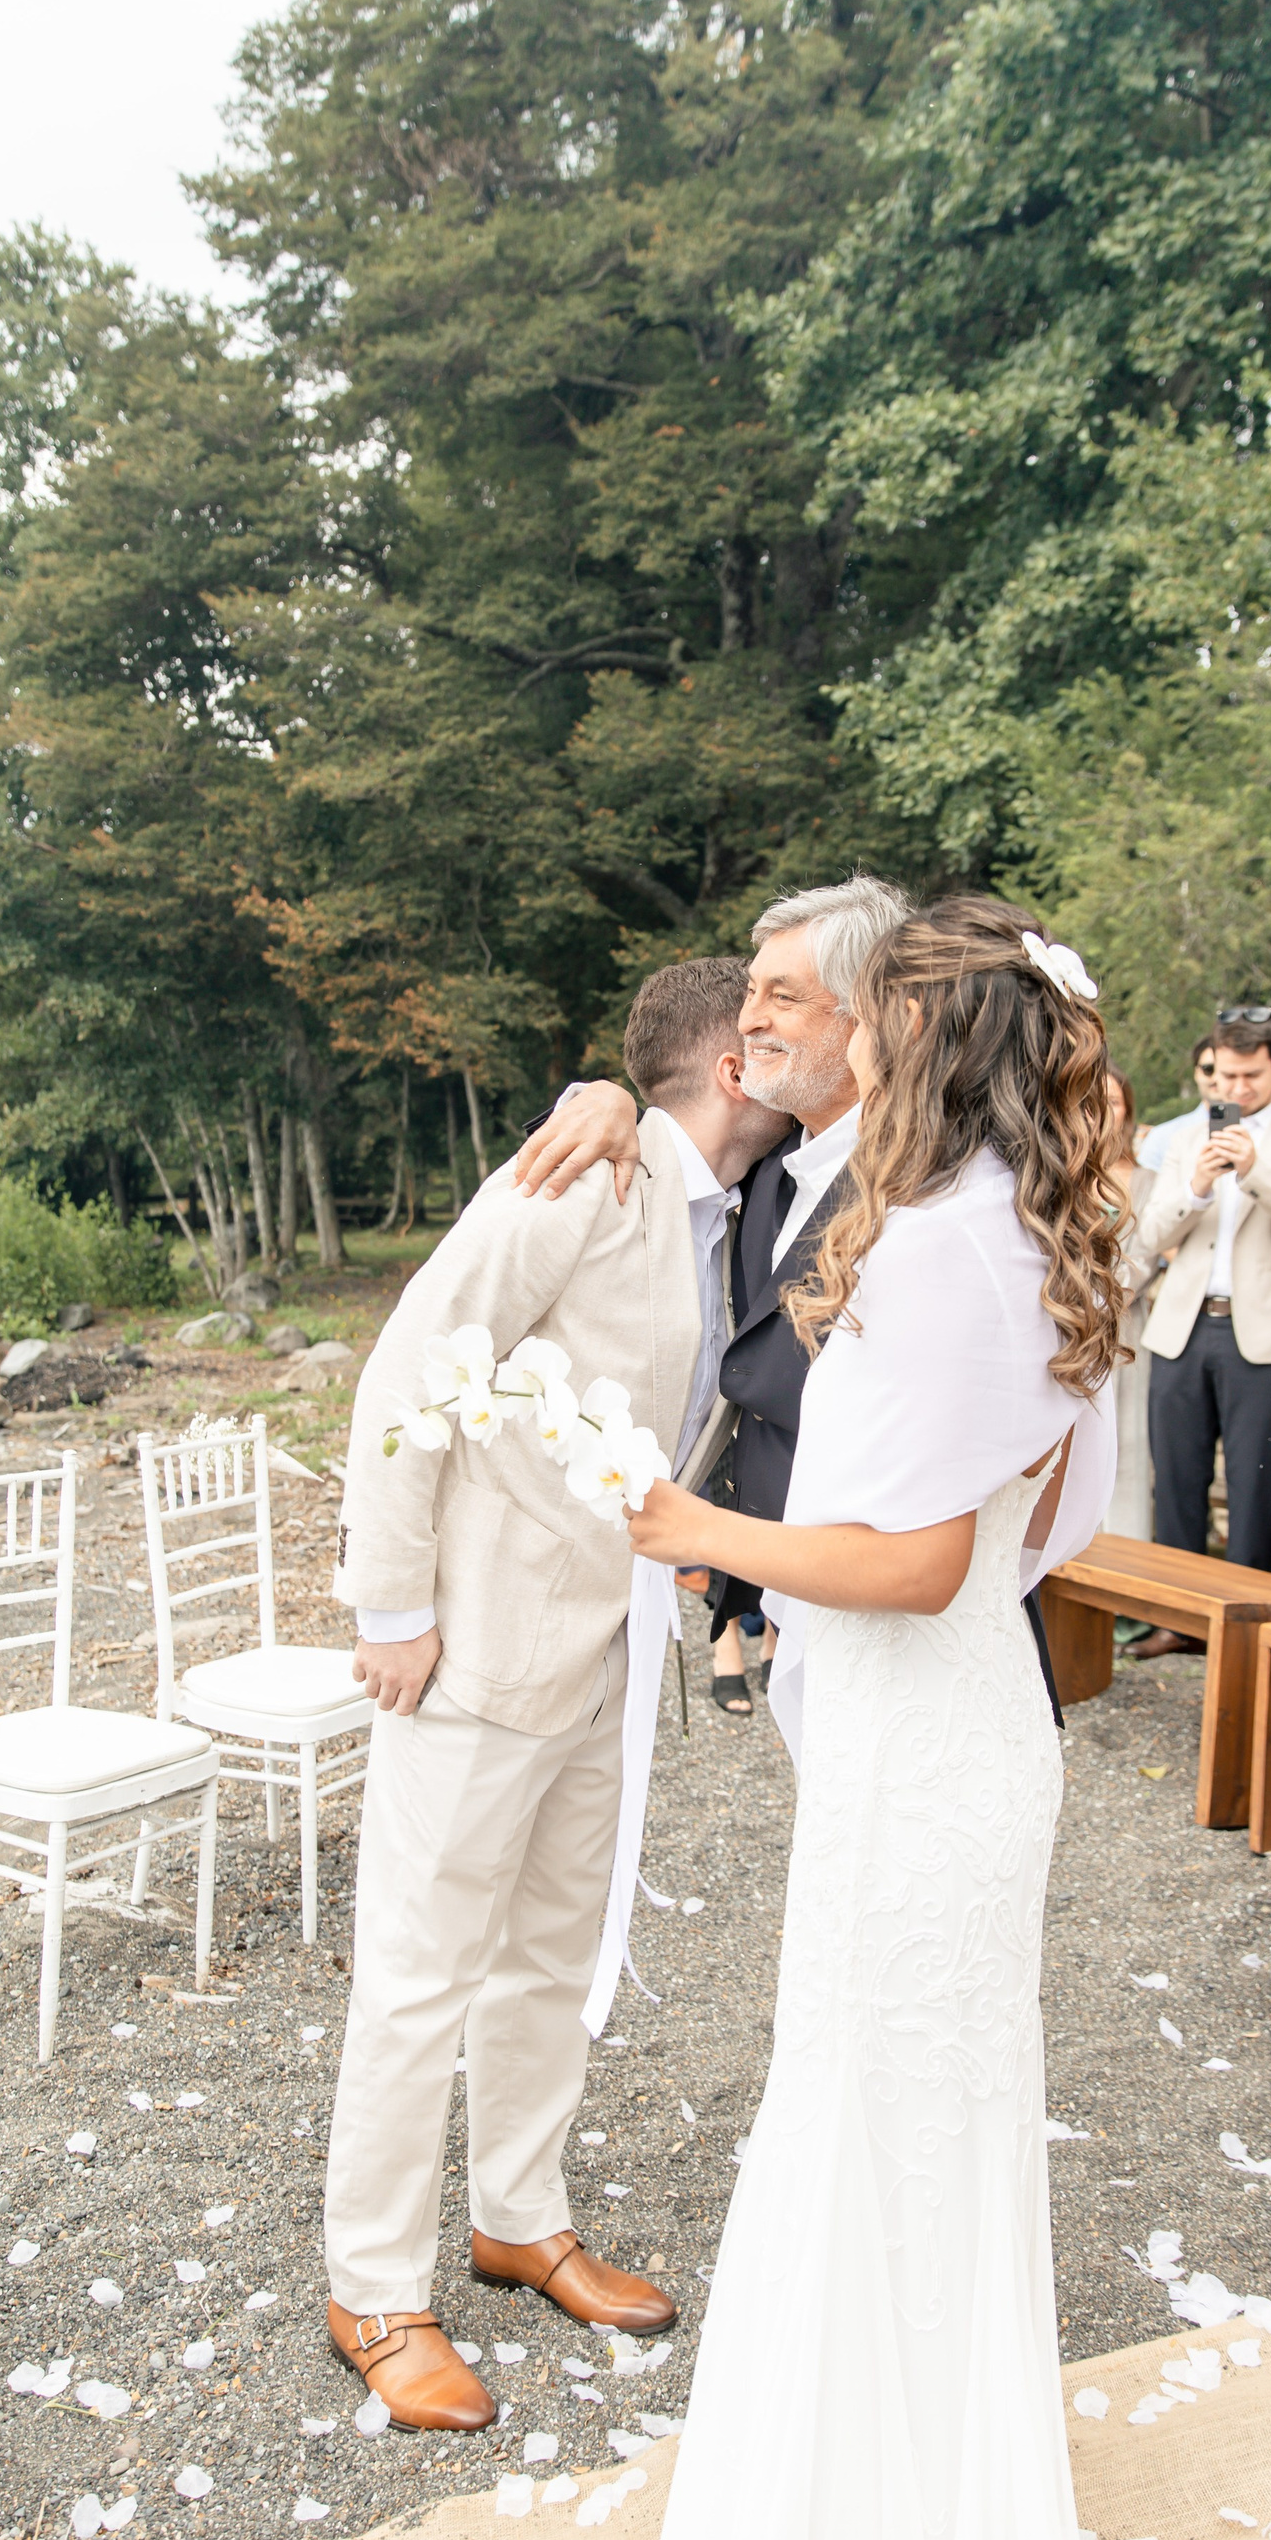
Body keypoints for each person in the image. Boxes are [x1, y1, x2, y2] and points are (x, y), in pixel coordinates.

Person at [615, 898, 1249, 2540]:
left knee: (876, 2130)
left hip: (925, 1744)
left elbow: (911, 1563)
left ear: (931, 1044)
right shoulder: (1012, 1225)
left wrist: (693, 1533)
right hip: (959, 1727)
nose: (845, 1037)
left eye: (873, 1013)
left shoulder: (943, 1249)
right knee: (905, 2132)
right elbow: (1038, 1536)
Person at [322, 959, 782, 2428]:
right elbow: (407, 1368)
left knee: (552, 1954)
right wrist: (392, 1606)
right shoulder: (579, 1176)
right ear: (734, 1063)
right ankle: (372, 2286)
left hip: (612, 1648)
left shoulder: (754, 1208)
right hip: (474, 1639)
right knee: (419, 1975)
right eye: (774, 1025)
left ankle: (519, 2217)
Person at [513, 871, 1071, 1725]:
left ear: (874, 1014)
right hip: (798, 1612)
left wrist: (699, 1531)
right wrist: (608, 1099)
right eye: (750, 993)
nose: (748, 1019)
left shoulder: (938, 1204)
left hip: (901, 1632)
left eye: (782, 996)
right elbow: (679, 1126)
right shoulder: (769, 1164)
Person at [1134, 1009, 1271, 1646]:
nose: (1236, 1089)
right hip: (1183, 1326)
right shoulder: (1188, 1138)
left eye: (1250, 1076)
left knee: (1255, 1485)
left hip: (1267, 1335)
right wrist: (1196, 1185)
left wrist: (1255, 1172)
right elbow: (1150, 1233)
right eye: (1225, 1076)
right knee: (1177, 1479)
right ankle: (1177, 1620)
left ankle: (1240, 1634)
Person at [1103, 1061, 1159, 1538]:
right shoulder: (1058, 1173)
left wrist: (1100, 1293)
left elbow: (1147, 1256)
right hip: (1061, 1322)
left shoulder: (1148, 1182)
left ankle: (1126, 1545)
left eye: (1113, 1101)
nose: (1103, 1110)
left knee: (1127, 1439)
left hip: (1124, 1323)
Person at [1137, 1030, 1218, 1166]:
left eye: (1226, 1071)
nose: (1216, 1078)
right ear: (1196, 1073)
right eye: (1208, 1069)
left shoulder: (1257, 1132)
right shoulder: (1162, 1137)